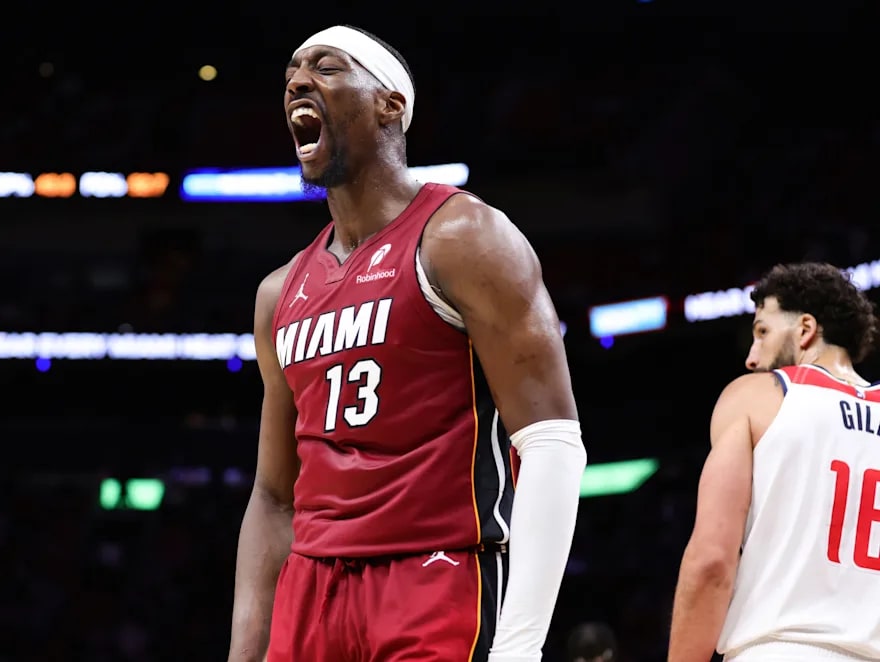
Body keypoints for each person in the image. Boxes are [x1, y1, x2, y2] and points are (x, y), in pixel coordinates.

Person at [227, 24, 588, 662]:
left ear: (391, 104)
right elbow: (274, 495)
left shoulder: (464, 237)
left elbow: (553, 441)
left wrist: (521, 645)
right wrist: (246, 651)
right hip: (310, 592)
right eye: (291, 71)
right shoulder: (278, 293)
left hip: (435, 573)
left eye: (328, 67)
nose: (297, 81)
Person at [669, 262, 880, 662]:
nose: (752, 357)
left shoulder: (756, 396)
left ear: (804, 329)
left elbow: (713, 559)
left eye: (762, 331)